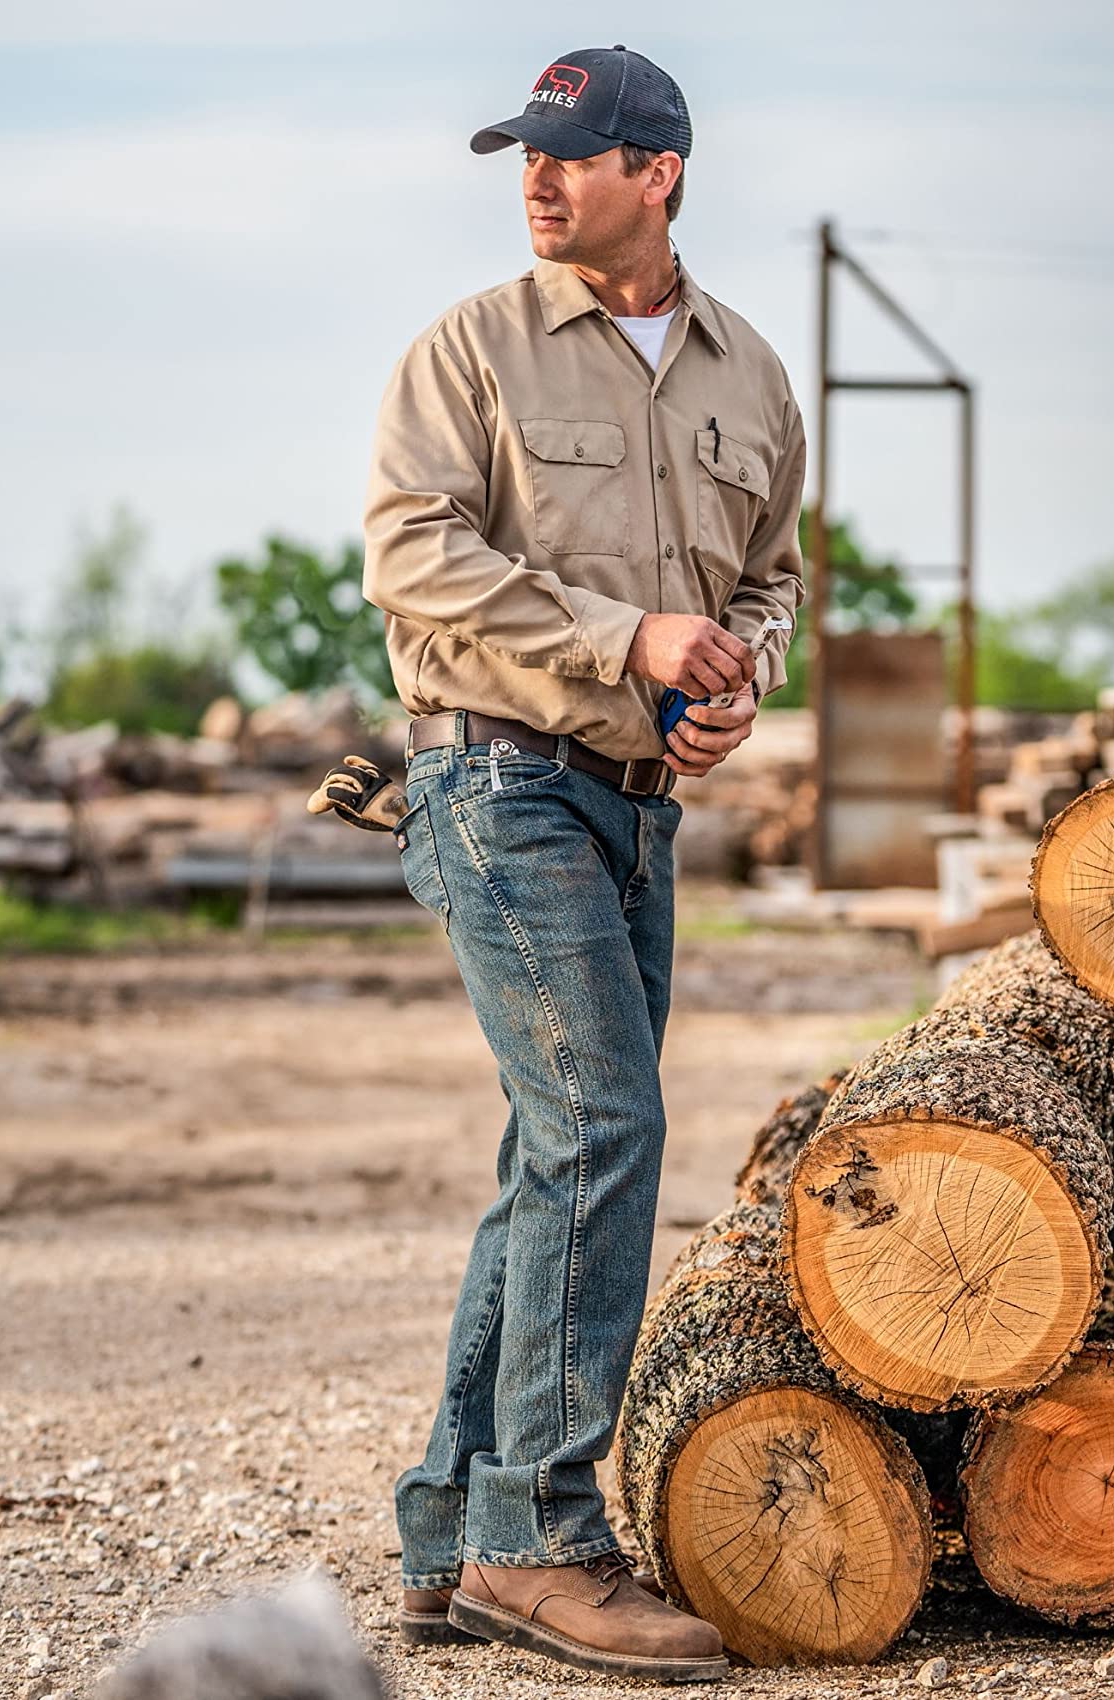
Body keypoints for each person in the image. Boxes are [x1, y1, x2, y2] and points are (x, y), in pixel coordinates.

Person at [315, 42, 804, 1683]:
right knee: (605, 1123)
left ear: (659, 173)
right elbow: (411, 555)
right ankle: (544, 1534)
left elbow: (773, 580)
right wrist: (627, 636)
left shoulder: (752, 378)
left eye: (571, 155)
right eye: (524, 154)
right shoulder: (470, 351)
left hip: (636, 808)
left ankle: (454, 1536)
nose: (536, 179)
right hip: (495, 784)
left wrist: (734, 675)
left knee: (558, 1152)